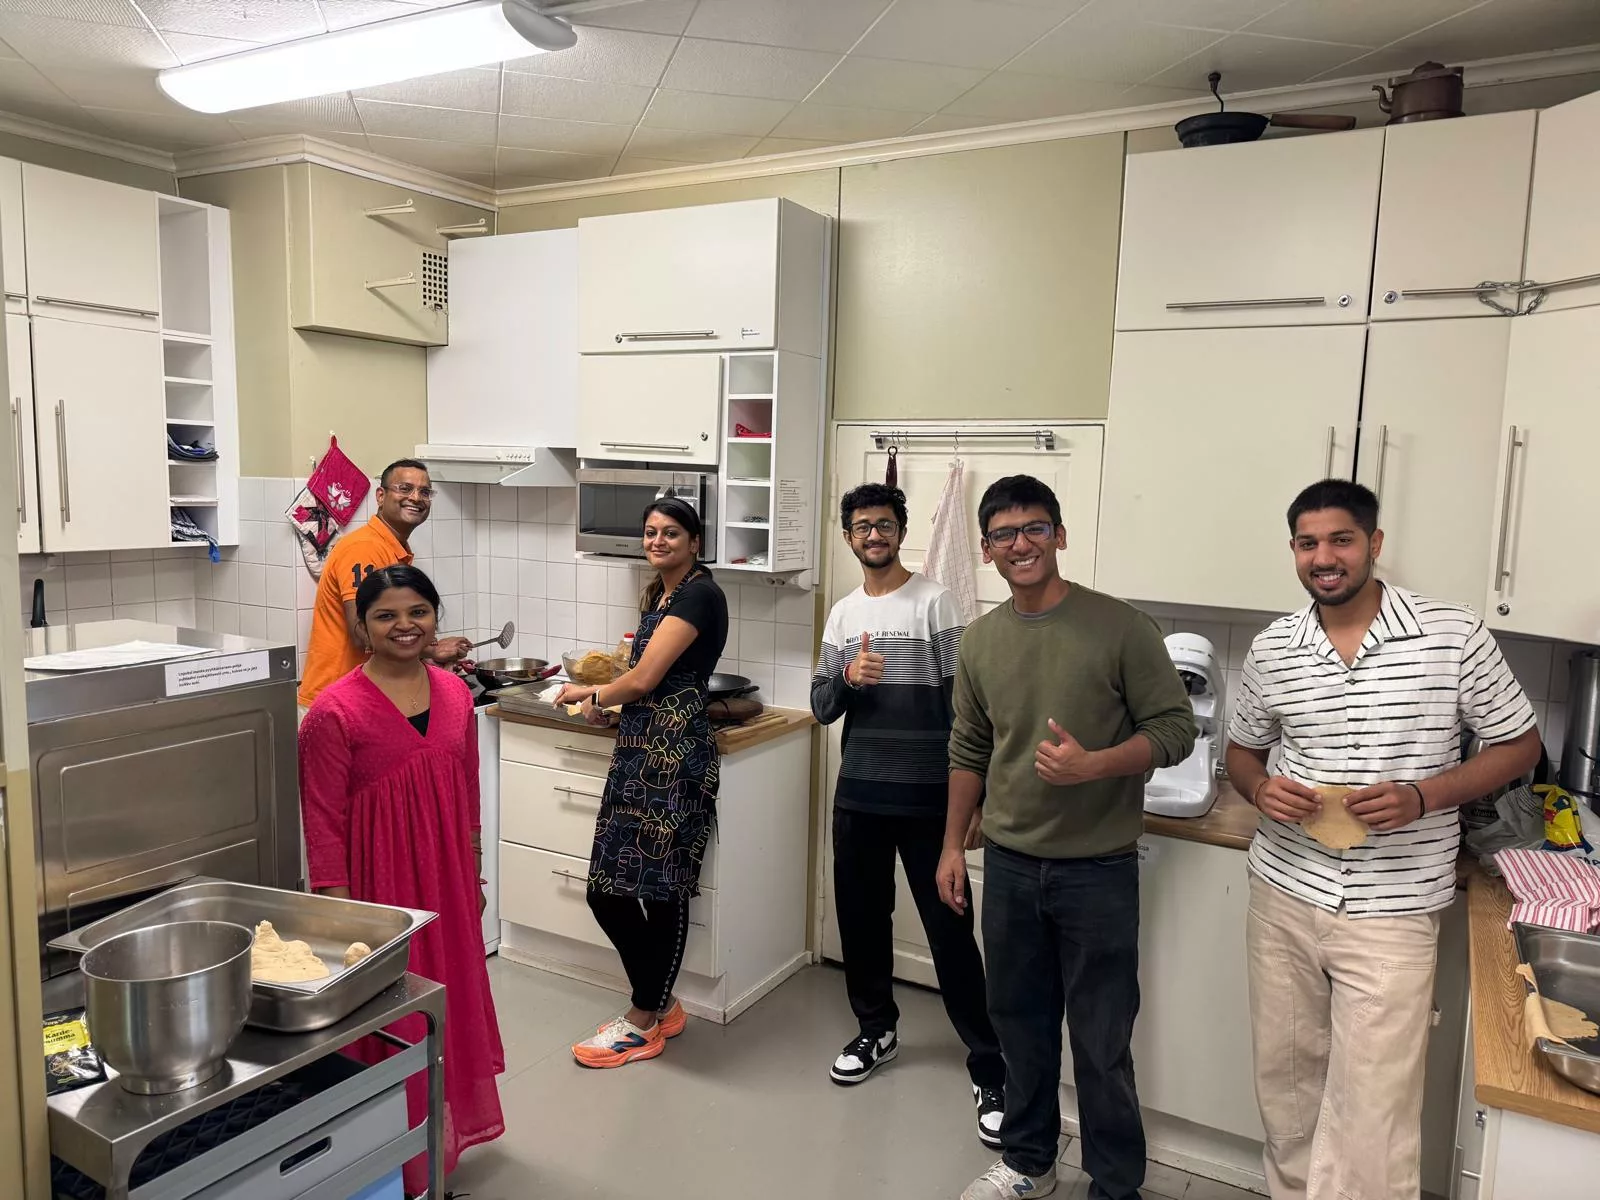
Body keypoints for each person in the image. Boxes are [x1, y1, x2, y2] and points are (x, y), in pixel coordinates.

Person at [1226, 479, 1540, 1200]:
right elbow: (1242, 752)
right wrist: (1259, 789)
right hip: (1283, 894)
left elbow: (1519, 744)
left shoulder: (1451, 634)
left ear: (1374, 543)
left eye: (1340, 540)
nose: (1323, 557)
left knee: (1376, 1110)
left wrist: (1423, 796)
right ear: (1293, 551)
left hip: (1393, 908)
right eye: (1308, 543)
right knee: (1287, 1090)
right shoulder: (1275, 647)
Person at [937, 474, 1197, 1200]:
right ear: (986, 549)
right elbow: (969, 748)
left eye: (1035, 528)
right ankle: (1029, 1162)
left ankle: (1114, 1184)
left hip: (1097, 870)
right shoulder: (981, 640)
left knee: (1101, 1040)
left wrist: (1095, 765)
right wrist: (952, 845)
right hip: (1011, 866)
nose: (1020, 544)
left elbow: (1176, 729)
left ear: (1059, 535)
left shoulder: (1122, 628)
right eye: (1005, 534)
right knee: (1019, 1026)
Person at [811, 482, 1007, 1147]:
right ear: (849, 537)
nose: (874, 534)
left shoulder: (935, 601)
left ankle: (989, 1064)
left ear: (900, 532)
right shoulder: (843, 615)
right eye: (863, 526)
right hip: (860, 796)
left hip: (928, 800)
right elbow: (821, 705)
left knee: (950, 932)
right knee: (862, 924)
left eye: (885, 524)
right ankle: (876, 1031)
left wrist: (974, 801)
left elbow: (967, 707)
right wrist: (848, 678)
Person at [298, 564, 504, 1196]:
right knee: (393, 1024)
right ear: (362, 628)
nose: (405, 626)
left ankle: (438, 1150)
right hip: (378, 891)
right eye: (385, 616)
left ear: (436, 618)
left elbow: (467, 792)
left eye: (418, 612)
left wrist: (474, 874)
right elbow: (321, 822)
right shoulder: (334, 712)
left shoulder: (456, 695)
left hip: (446, 882)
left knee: (446, 1009)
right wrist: (340, 916)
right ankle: (395, 1167)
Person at [553, 497, 729, 1069]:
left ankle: (643, 1019)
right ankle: (660, 1004)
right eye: (650, 532)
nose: (658, 541)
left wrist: (593, 694)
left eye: (671, 533)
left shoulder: (700, 594)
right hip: (639, 749)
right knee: (606, 888)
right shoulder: (662, 593)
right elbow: (640, 680)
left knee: (663, 888)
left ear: (695, 542)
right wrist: (611, 709)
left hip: (675, 756)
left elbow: (647, 677)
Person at [298, 459, 471, 712]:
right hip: (337, 702)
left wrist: (427, 654)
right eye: (405, 488)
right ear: (380, 496)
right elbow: (362, 633)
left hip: (367, 696)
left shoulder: (391, 548)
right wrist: (430, 649)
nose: (416, 498)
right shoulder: (365, 548)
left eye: (424, 492)